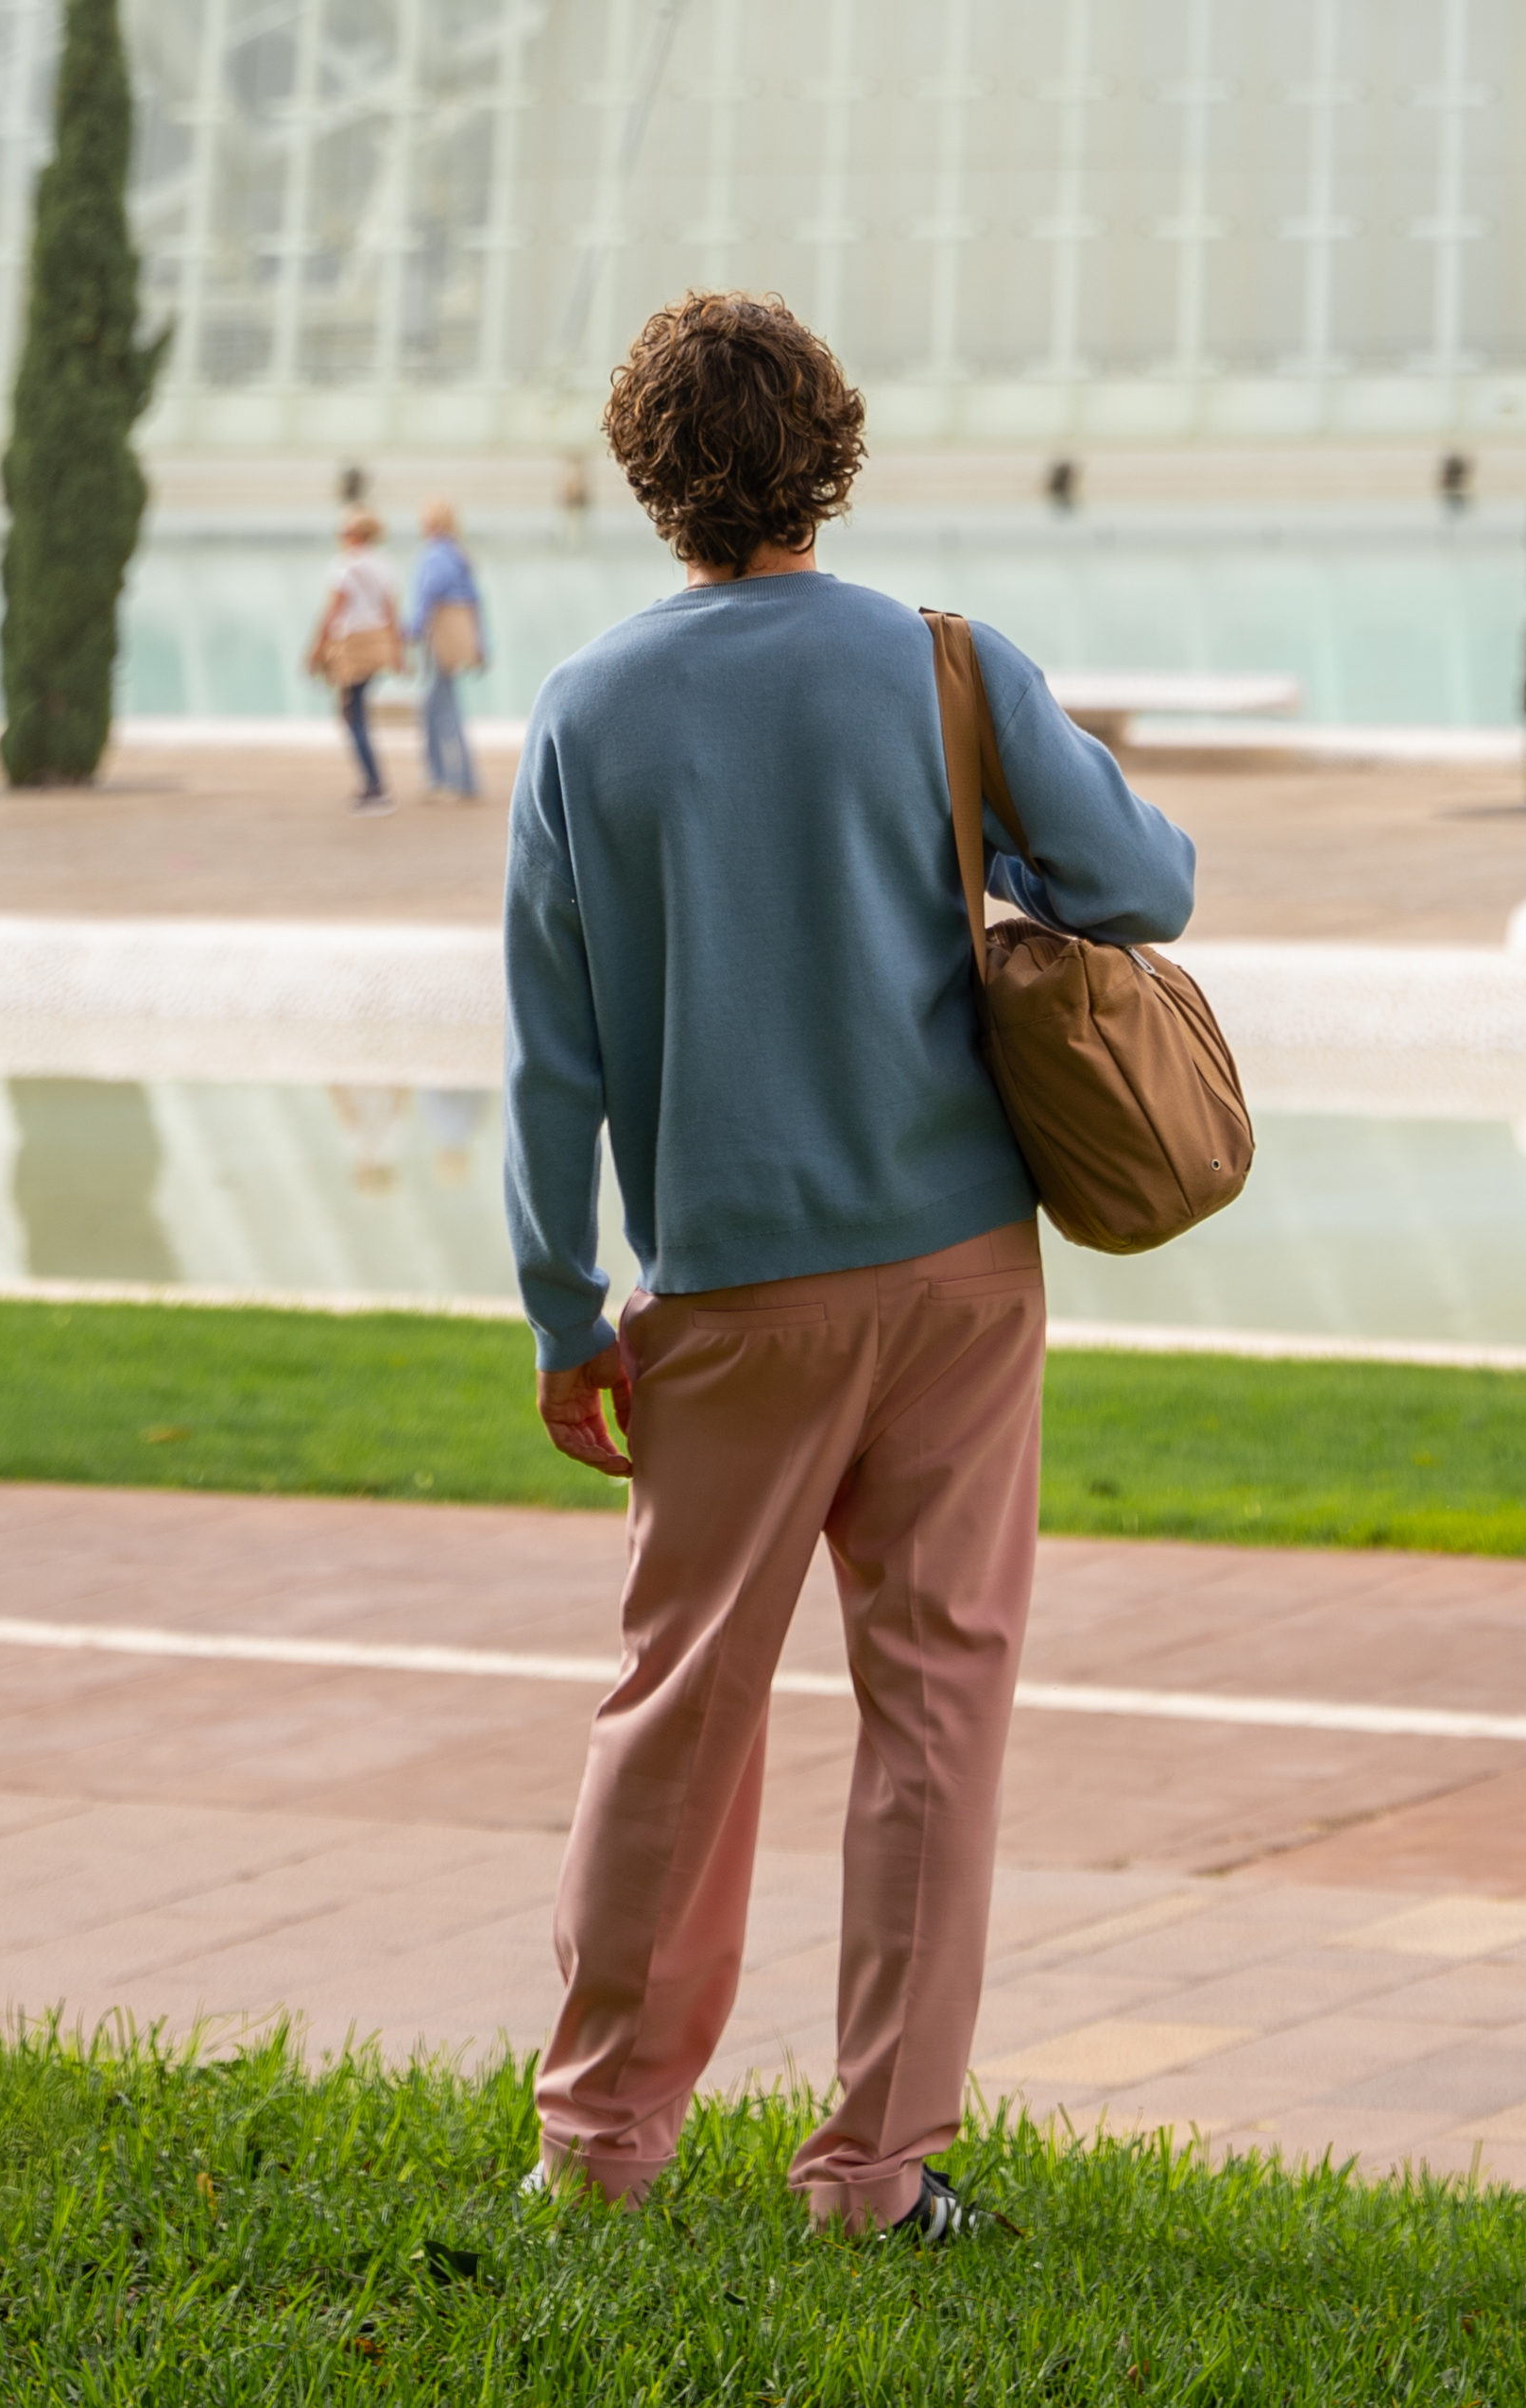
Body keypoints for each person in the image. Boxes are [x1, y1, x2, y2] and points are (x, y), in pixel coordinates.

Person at [504, 285, 1196, 2244]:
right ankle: (873, 2171)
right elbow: (1143, 884)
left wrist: (564, 1312)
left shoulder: (584, 706)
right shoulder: (939, 662)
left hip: (722, 1294)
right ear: (832, 447)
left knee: (678, 1705)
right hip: (957, 1267)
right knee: (935, 1709)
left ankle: (601, 2144)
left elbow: (550, 1059)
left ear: (652, 478)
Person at [302, 507, 404, 805]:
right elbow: (390, 611)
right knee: (356, 711)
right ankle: (373, 782)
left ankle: (374, 785)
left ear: (357, 534)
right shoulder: (385, 564)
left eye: (346, 532)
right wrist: (397, 652)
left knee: (353, 714)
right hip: (375, 647)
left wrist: (316, 649)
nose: (342, 537)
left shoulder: (344, 566)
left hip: (352, 646)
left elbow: (333, 613)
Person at [408, 496, 489, 800]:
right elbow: (474, 602)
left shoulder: (433, 555)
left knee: (439, 709)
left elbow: (428, 595)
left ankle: (451, 779)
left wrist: (412, 630)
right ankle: (451, 777)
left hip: (437, 639)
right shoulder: (460, 555)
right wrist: (481, 645)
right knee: (442, 706)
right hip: (456, 640)